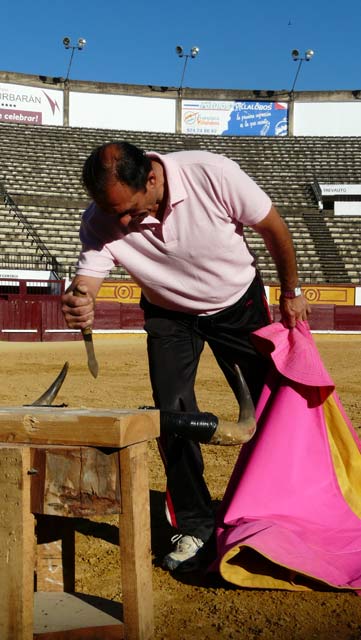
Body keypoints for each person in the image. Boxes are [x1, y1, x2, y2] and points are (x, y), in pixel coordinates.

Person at [61, 141, 310, 572]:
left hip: (237, 304)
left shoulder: (211, 172)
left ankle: (280, 507)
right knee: (171, 414)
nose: (120, 222)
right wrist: (79, 299)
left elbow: (273, 227)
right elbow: (88, 279)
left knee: (274, 406)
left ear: (152, 179)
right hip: (169, 315)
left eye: (129, 210)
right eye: (112, 212)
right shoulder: (103, 216)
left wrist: (292, 291)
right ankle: (195, 525)